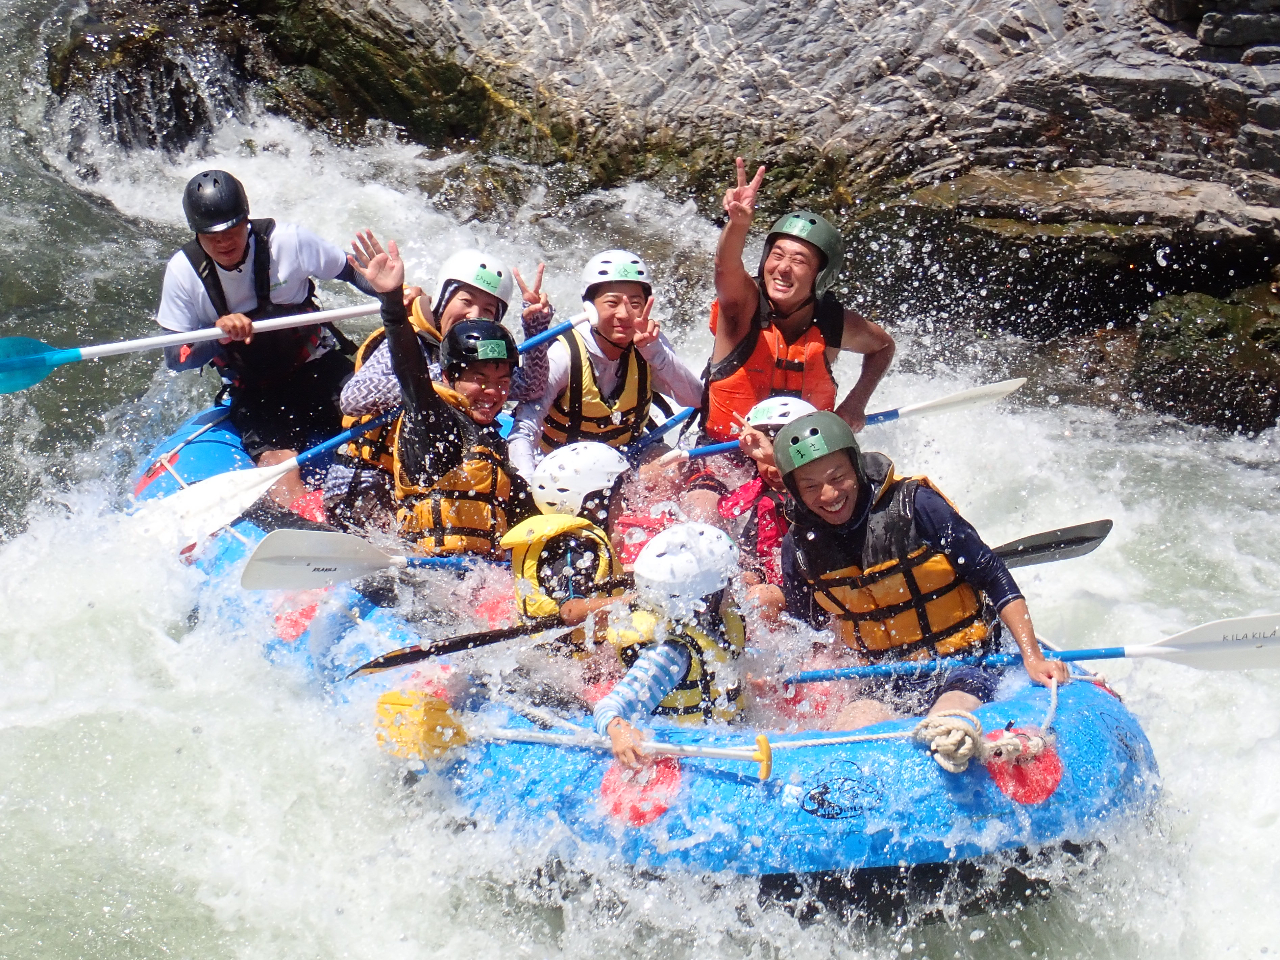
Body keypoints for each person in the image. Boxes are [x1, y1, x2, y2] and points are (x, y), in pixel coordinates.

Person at [764, 411, 1069, 730]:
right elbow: (806, 628)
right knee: (848, 738)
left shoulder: (917, 506)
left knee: (946, 729)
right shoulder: (800, 548)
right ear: (795, 492)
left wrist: (1032, 656)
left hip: (967, 660)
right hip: (886, 678)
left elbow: (994, 577)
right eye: (810, 486)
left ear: (856, 465)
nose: (828, 495)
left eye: (838, 478)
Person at [157, 170, 375, 509]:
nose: (224, 242)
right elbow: (177, 357)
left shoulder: (289, 242)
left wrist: (387, 290)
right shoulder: (183, 271)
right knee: (276, 460)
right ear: (197, 234)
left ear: (246, 219)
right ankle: (307, 527)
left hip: (319, 367)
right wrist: (219, 337)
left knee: (379, 421)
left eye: (232, 229)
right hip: (256, 389)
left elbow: (351, 272)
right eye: (212, 235)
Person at [322, 251, 553, 530]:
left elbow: (530, 386)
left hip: (432, 487)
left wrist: (536, 327)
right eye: (466, 301)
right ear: (443, 300)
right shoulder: (412, 342)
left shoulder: (479, 362)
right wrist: (439, 380)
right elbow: (353, 399)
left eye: (488, 310)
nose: (473, 315)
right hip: (368, 478)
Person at [699, 159, 896, 444]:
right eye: (777, 255)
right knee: (701, 493)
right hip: (724, 459)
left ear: (821, 274)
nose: (782, 268)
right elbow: (725, 266)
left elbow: (883, 346)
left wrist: (855, 404)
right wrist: (738, 224)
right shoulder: (742, 307)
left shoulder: (834, 323)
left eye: (798, 260)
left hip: (802, 463)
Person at [508, 250, 703, 478]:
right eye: (612, 302)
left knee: (671, 469)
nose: (624, 314)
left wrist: (654, 352)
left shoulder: (650, 346)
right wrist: (527, 483)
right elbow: (525, 429)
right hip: (559, 468)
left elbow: (696, 399)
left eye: (635, 303)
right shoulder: (563, 354)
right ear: (589, 307)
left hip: (625, 459)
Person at [594, 523, 746, 767]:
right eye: (728, 582)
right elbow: (609, 706)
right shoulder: (671, 655)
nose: (734, 587)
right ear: (706, 599)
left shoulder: (714, 626)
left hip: (725, 733)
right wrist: (619, 731)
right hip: (692, 749)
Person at [500, 442, 633, 653]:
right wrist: (633, 602)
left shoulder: (574, 541)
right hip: (563, 661)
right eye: (619, 498)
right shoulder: (572, 547)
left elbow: (594, 582)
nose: (624, 506)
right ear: (595, 502)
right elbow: (572, 611)